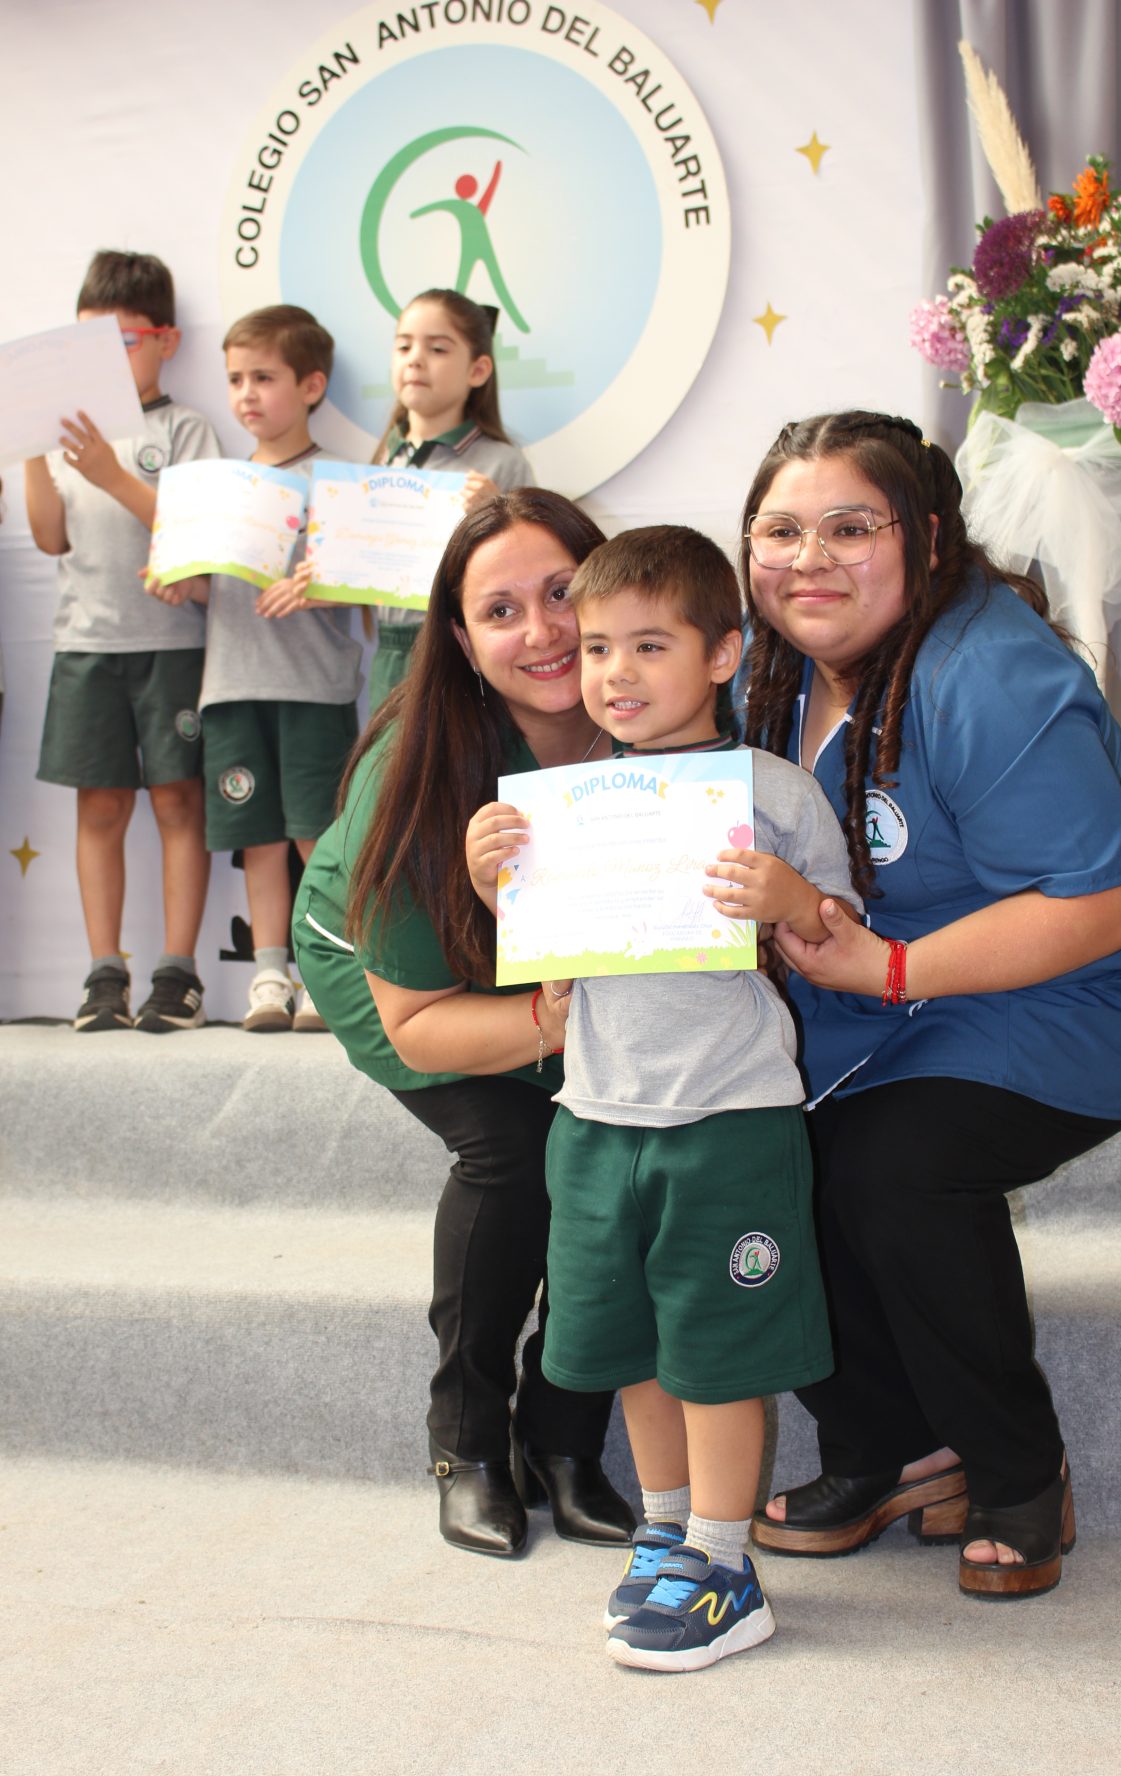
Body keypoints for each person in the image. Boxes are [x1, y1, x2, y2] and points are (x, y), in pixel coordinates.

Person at [738, 411, 1121, 1600]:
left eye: (852, 527)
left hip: (1080, 993)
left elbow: (1106, 907)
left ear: (930, 537)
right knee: (746, 1152)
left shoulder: (989, 670)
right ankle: (892, 1449)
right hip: (882, 996)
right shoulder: (770, 670)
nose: (809, 559)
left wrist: (888, 972)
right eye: (780, 531)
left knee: (893, 1167)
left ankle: (1016, 1467)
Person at [471, 525, 860, 1671]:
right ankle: (666, 1531)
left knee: (716, 1354)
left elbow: (840, 939)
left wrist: (792, 899)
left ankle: (725, 1564)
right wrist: (498, 880)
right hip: (596, 1116)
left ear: (724, 652)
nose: (616, 673)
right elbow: (551, 964)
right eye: (598, 648)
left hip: (728, 1120)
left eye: (650, 645)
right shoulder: (564, 802)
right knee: (637, 1345)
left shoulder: (773, 792)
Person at [294, 488, 633, 1558]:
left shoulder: (657, 709)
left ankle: (565, 1440)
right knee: (520, 1147)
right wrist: (552, 1022)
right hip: (406, 976)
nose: (542, 632)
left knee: (629, 1146)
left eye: (563, 593)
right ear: (460, 636)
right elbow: (421, 1028)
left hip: (562, 978)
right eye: (500, 611)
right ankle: (469, 1442)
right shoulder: (417, 764)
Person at [24, 250, 220, 1032]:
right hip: (87, 645)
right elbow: (50, 538)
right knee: (100, 806)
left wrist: (111, 473)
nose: (101, 361)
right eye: (85, 345)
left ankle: (177, 973)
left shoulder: (184, 428)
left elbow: (200, 537)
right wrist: (31, 450)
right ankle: (103, 973)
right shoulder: (64, 438)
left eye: (122, 342)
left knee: (179, 800)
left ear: (166, 340)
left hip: (173, 645)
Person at [197, 304, 361, 1031]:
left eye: (264, 377)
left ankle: (325, 975)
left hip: (313, 688)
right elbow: (208, 584)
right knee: (258, 837)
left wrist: (324, 585)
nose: (247, 394)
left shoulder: (339, 483)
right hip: (232, 684)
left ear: (311, 385)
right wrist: (178, 582)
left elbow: (369, 586)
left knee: (316, 838)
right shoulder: (217, 486)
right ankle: (270, 975)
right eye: (236, 379)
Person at [367, 288, 532, 710]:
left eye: (437, 348)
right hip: (390, 652)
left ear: (478, 370)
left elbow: (530, 567)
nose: (415, 360)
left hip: (464, 649)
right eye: (404, 346)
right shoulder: (382, 461)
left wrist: (497, 514)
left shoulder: (501, 463)